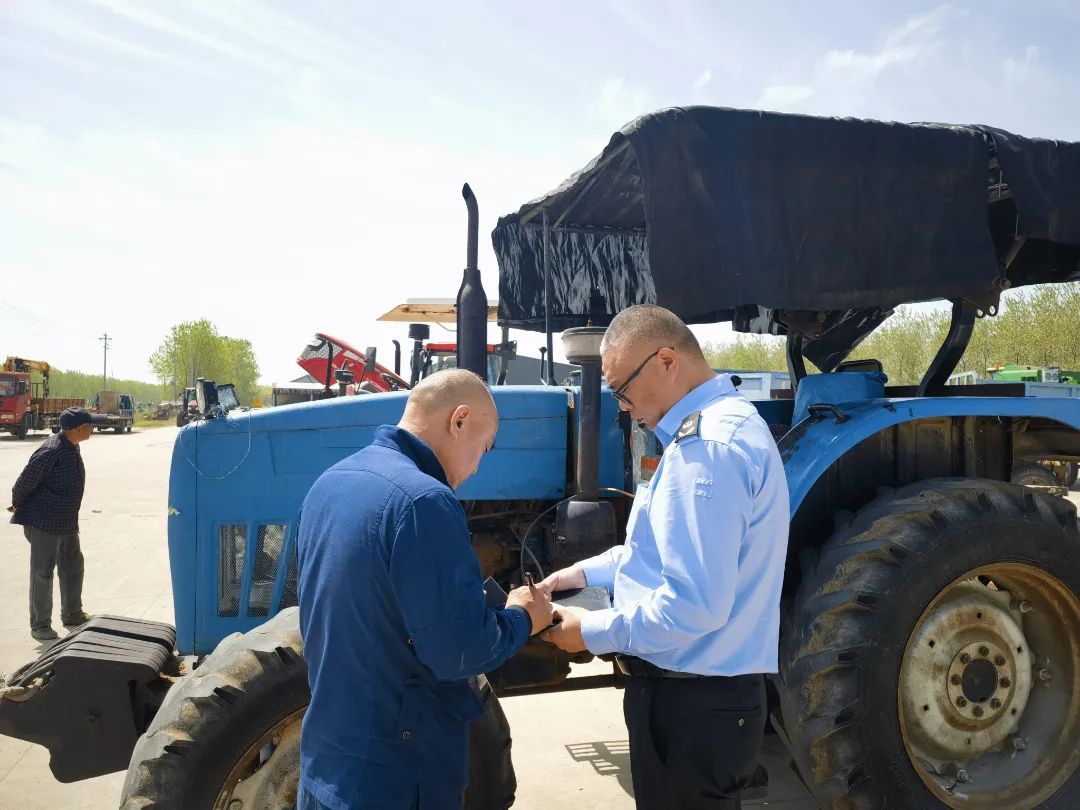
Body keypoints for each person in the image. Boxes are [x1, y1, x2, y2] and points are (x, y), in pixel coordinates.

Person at [542, 305, 790, 810]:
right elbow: (654, 552)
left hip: (692, 706)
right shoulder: (708, 433)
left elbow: (693, 605)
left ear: (666, 361)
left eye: (622, 389)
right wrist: (581, 573)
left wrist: (591, 632)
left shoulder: (709, 448)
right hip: (698, 700)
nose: (623, 406)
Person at [297, 369, 553, 810]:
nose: (477, 467)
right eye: (484, 448)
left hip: (327, 763)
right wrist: (523, 616)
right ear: (459, 420)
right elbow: (461, 651)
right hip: (397, 777)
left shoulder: (330, 482)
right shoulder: (424, 501)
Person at [8, 406, 102, 641]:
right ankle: (40, 625)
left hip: (66, 521)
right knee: (42, 573)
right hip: (44, 522)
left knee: (73, 567)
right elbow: (23, 483)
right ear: (78, 428)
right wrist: (17, 505)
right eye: (89, 425)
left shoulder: (72, 445)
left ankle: (72, 614)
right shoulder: (51, 451)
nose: (92, 428)